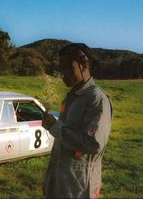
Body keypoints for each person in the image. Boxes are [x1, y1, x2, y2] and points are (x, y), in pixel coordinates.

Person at [42, 43, 112, 199]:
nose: (63, 74)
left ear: (84, 65)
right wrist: (50, 180)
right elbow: (63, 143)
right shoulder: (71, 97)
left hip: (79, 189)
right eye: (61, 69)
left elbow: (93, 143)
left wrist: (55, 127)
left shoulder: (97, 99)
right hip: (59, 184)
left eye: (68, 67)